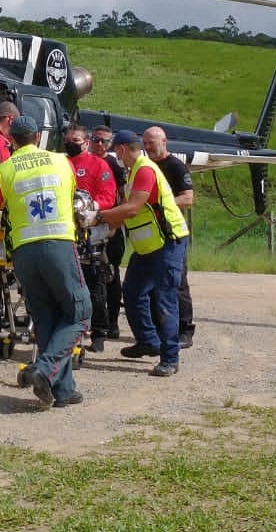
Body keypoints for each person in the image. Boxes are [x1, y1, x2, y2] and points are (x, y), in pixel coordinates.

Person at [0, 115, 90, 408]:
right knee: (79, 313)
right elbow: (75, 198)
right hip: (58, 246)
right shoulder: (62, 162)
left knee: (46, 317)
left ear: (11, 140)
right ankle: (44, 368)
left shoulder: (4, 170)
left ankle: (62, 391)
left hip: (24, 253)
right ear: (37, 136)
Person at [96, 129, 187, 378]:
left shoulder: (145, 170)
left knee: (165, 298)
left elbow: (134, 208)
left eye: (116, 151)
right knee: (134, 292)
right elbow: (128, 212)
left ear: (123, 149)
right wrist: (109, 228)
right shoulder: (134, 171)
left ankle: (170, 358)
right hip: (148, 247)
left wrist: (100, 217)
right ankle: (148, 341)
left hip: (168, 243)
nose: (115, 155)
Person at [64, 123, 116, 352]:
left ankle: (99, 331)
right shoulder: (61, 163)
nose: (70, 144)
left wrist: (89, 208)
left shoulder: (99, 165)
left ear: (86, 143)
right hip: (64, 231)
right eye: (68, 140)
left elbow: (108, 196)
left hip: (90, 229)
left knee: (94, 283)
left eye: (75, 140)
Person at [143, 125, 196, 348]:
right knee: (153, 283)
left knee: (177, 282)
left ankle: (185, 329)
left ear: (164, 142)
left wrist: (160, 204)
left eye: (151, 144)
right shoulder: (147, 167)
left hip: (172, 232)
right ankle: (158, 328)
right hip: (152, 234)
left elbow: (188, 198)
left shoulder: (176, 166)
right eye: (145, 144)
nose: (148, 148)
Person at [90, 124, 127, 339]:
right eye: (96, 139)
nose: (100, 145)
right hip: (90, 224)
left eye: (105, 141)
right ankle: (95, 321)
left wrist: (115, 225)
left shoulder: (113, 164)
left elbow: (122, 197)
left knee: (111, 275)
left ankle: (112, 321)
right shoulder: (83, 160)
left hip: (110, 226)